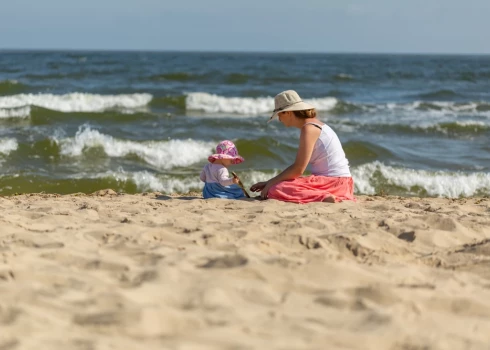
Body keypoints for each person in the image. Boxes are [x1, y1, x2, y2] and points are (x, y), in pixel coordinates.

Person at [250, 90, 355, 203]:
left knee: (275, 189)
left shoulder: (309, 128)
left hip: (333, 183)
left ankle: (323, 197)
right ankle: (324, 196)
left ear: (288, 112)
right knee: (276, 185)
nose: (280, 120)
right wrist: (269, 182)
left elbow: (298, 169)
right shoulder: (315, 125)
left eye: (280, 115)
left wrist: (271, 183)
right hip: (342, 183)